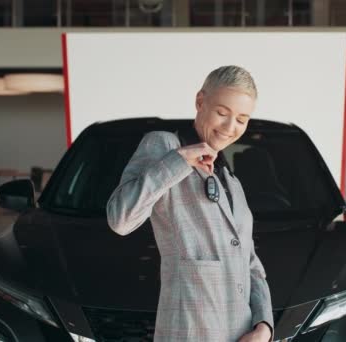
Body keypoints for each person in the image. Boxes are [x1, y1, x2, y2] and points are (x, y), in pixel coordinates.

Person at [106, 65, 274, 342]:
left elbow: (251, 264)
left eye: (242, 119)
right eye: (222, 113)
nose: (230, 128)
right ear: (200, 101)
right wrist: (180, 161)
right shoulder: (164, 146)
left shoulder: (232, 182)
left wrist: (263, 326)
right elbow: (120, 218)